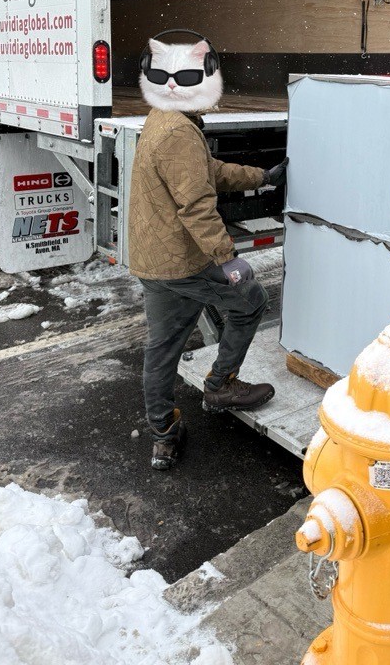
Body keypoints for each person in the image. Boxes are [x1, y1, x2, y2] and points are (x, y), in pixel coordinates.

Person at [129, 30, 288, 471]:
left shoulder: (164, 119)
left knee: (163, 348)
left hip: (154, 258)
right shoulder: (178, 131)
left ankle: (163, 434)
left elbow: (206, 172)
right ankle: (220, 385)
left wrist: (262, 177)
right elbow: (197, 205)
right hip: (182, 260)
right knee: (249, 301)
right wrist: (228, 259)